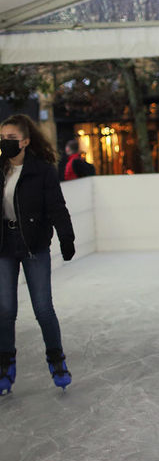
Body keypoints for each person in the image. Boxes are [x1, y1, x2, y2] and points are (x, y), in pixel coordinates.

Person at [0, 114, 76, 394]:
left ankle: (57, 360)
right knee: (5, 310)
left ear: (26, 141)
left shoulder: (42, 171)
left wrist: (66, 236)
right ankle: (5, 364)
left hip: (33, 244)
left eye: (11, 139)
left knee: (43, 308)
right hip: (3, 245)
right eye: (2, 138)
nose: (5, 143)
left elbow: (57, 207)